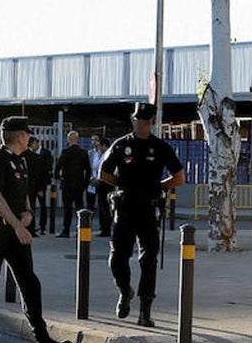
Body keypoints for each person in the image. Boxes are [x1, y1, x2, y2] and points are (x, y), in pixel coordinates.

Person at [0, 116, 73, 343]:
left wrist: (28, 212)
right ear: (18, 136)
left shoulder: (21, 160)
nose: (29, 137)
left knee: (30, 284)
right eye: (26, 134)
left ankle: (43, 341)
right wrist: (16, 225)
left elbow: (22, 191)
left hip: (17, 232)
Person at [99, 103, 185, 328]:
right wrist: (121, 185)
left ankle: (145, 311)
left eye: (145, 122)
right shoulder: (121, 145)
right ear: (133, 120)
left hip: (148, 209)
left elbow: (179, 176)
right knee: (117, 258)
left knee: (148, 260)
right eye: (137, 121)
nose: (141, 125)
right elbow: (103, 172)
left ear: (152, 123)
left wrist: (160, 187)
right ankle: (125, 291)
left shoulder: (160, 147)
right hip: (125, 207)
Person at [53, 130, 91, 237]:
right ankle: (82, 229)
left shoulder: (66, 152)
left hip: (67, 185)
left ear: (69, 139)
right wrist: (85, 183)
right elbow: (88, 169)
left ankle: (66, 230)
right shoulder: (83, 152)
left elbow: (58, 166)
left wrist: (59, 178)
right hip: (79, 185)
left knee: (67, 209)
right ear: (78, 139)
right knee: (80, 208)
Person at [27, 136, 54, 234]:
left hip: (41, 184)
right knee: (31, 206)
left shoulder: (46, 153)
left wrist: (41, 187)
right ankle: (32, 227)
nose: (32, 147)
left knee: (43, 206)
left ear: (37, 143)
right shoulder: (29, 154)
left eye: (32, 144)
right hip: (31, 185)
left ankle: (43, 226)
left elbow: (46, 171)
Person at [91, 135, 114, 236]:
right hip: (100, 184)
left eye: (100, 146)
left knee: (105, 207)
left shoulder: (108, 156)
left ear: (104, 146)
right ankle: (104, 227)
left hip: (106, 184)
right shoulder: (102, 155)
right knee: (102, 207)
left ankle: (106, 228)